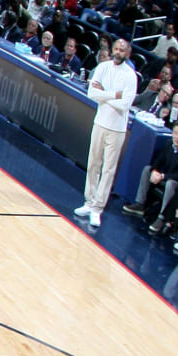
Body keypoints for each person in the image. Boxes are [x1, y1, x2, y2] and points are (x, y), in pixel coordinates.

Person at [73, 38, 138, 229]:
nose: (118, 52)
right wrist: (114, 94)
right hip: (100, 122)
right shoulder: (102, 67)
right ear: (112, 50)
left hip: (117, 128)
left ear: (127, 53)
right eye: (116, 49)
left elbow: (125, 104)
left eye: (122, 50)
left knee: (108, 170)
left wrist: (105, 95)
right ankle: (88, 202)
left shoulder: (131, 76)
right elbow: (91, 94)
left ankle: (97, 209)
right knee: (93, 163)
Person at [124, 123, 178, 222]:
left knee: (170, 184)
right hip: (163, 177)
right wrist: (154, 171)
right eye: (175, 133)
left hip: (175, 182)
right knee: (147, 170)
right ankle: (140, 204)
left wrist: (162, 176)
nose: (177, 137)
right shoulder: (168, 144)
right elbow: (158, 160)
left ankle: (162, 217)